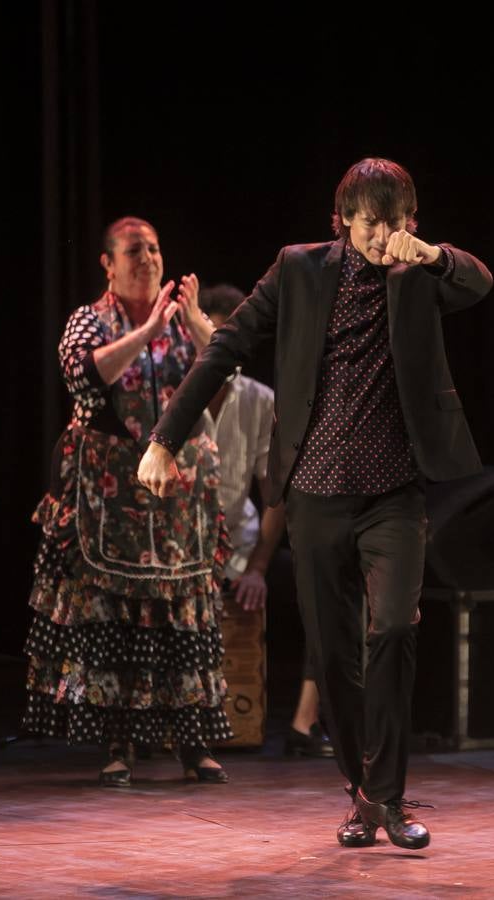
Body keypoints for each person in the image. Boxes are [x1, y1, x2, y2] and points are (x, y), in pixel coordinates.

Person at [138, 158, 493, 850]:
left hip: (394, 493)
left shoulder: (420, 272)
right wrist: (164, 439)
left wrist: (432, 255)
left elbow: (481, 282)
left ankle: (388, 799)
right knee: (334, 657)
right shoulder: (298, 271)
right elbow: (228, 348)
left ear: (411, 221)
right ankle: (361, 795)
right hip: (315, 495)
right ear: (342, 222)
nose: (381, 236)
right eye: (369, 223)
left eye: (395, 222)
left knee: (392, 629)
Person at [22, 216, 234, 787]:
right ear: (108, 264)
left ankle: (193, 743)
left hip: (180, 500)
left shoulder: (187, 324)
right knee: (114, 616)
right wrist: (145, 333)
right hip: (110, 499)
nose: (148, 258)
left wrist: (192, 322)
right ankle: (119, 744)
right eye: (135, 250)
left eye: (156, 249)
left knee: (184, 617)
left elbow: (227, 374)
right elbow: (87, 377)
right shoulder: (88, 322)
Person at [197, 283, 333, 758]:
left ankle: (304, 722)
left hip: (240, 548)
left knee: (328, 589)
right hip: (182, 556)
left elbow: (274, 493)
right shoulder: (173, 393)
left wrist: (256, 566)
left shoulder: (257, 399)